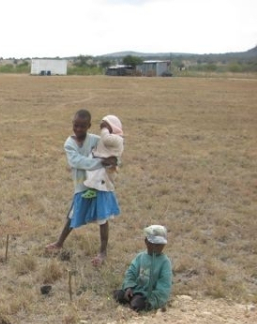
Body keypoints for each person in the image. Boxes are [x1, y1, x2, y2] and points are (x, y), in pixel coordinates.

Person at [45, 109, 120, 266]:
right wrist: (101, 162)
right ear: (72, 124)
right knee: (72, 215)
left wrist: (109, 131)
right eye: (76, 125)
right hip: (81, 186)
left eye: (82, 126)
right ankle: (59, 243)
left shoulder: (94, 140)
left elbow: (110, 147)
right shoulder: (69, 144)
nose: (78, 129)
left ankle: (102, 252)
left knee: (102, 218)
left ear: (89, 126)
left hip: (99, 185)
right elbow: (77, 162)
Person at [113, 225, 173, 312]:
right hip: (135, 290)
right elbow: (130, 273)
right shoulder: (140, 257)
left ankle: (135, 305)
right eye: (155, 244)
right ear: (146, 242)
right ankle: (129, 300)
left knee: (137, 303)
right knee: (116, 294)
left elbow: (164, 286)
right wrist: (128, 287)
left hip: (148, 295)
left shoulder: (165, 262)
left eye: (161, 244)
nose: (158, 247)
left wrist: (151, 302)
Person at [82, 115, 124, 198]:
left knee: (99, 176)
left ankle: (94, 190)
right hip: (101, 160)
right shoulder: (112, 137)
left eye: (106, 124)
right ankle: (92, 188)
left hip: (107, 164)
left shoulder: (117, 139)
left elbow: (106, 140)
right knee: (93, 173)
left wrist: (105, 129)